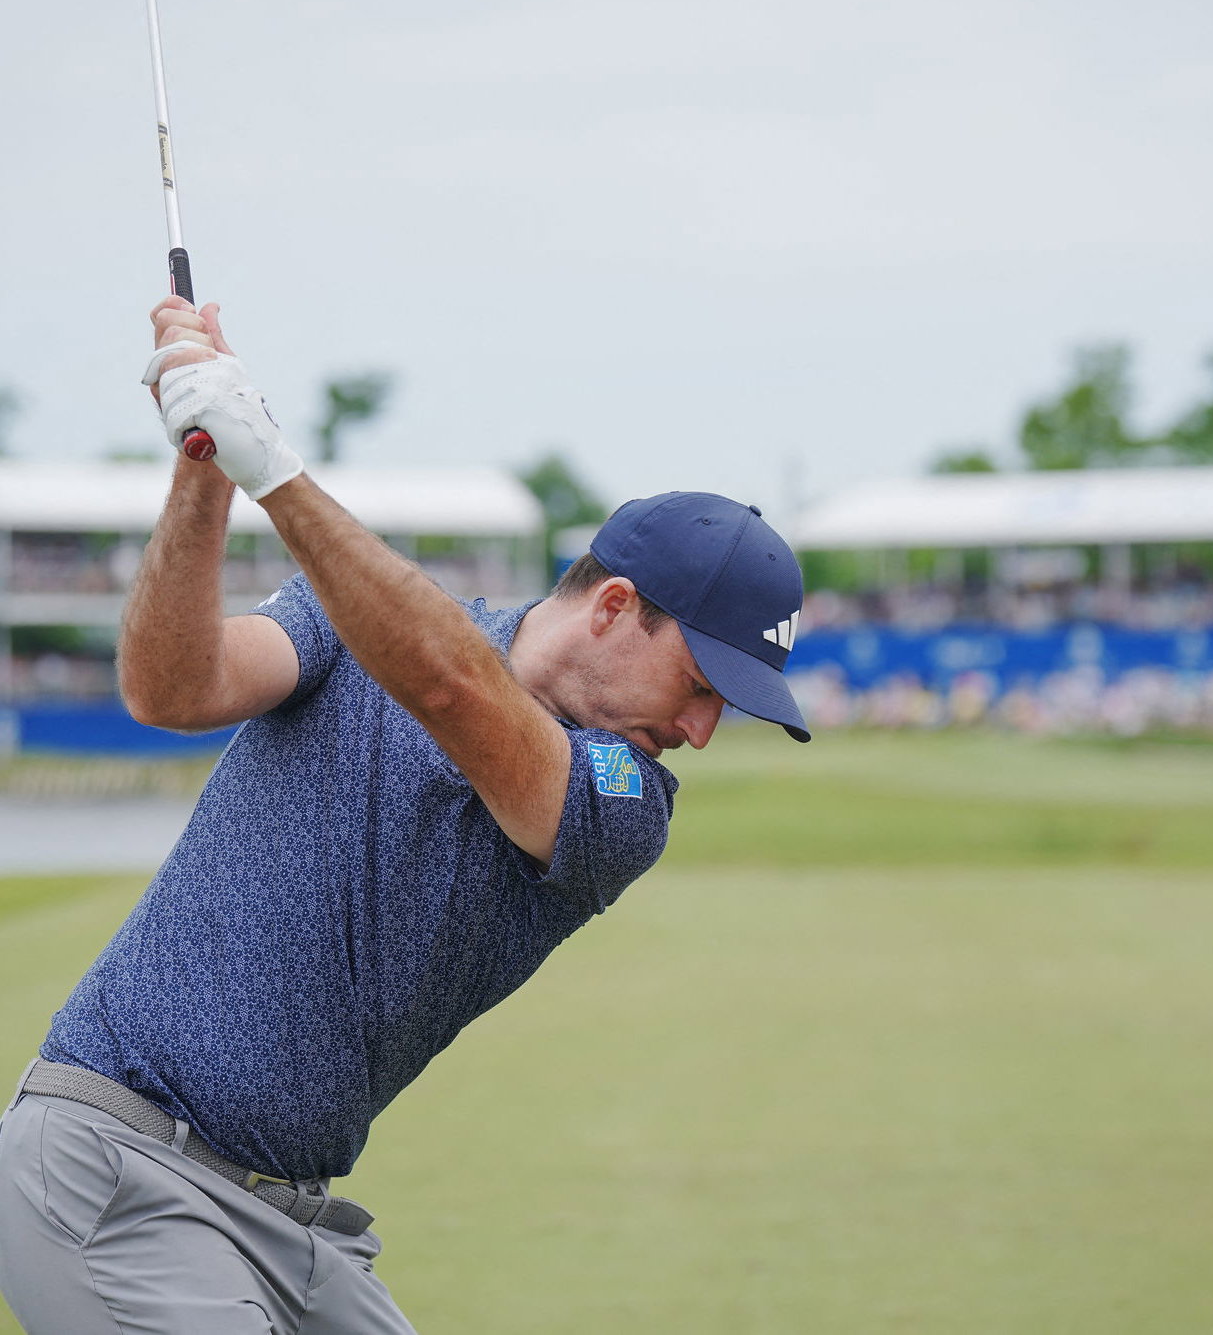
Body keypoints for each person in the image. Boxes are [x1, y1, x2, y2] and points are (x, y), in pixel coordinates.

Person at [0, 298, 810, 1334]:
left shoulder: (625, 801)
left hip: (292, 1228)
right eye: (702, 683)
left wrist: (276, 470)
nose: (702, 730)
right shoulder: (352, 624)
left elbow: (454, 693)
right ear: (614, 608)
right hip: (118, 1171)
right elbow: (174, 689)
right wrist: (204, 460)